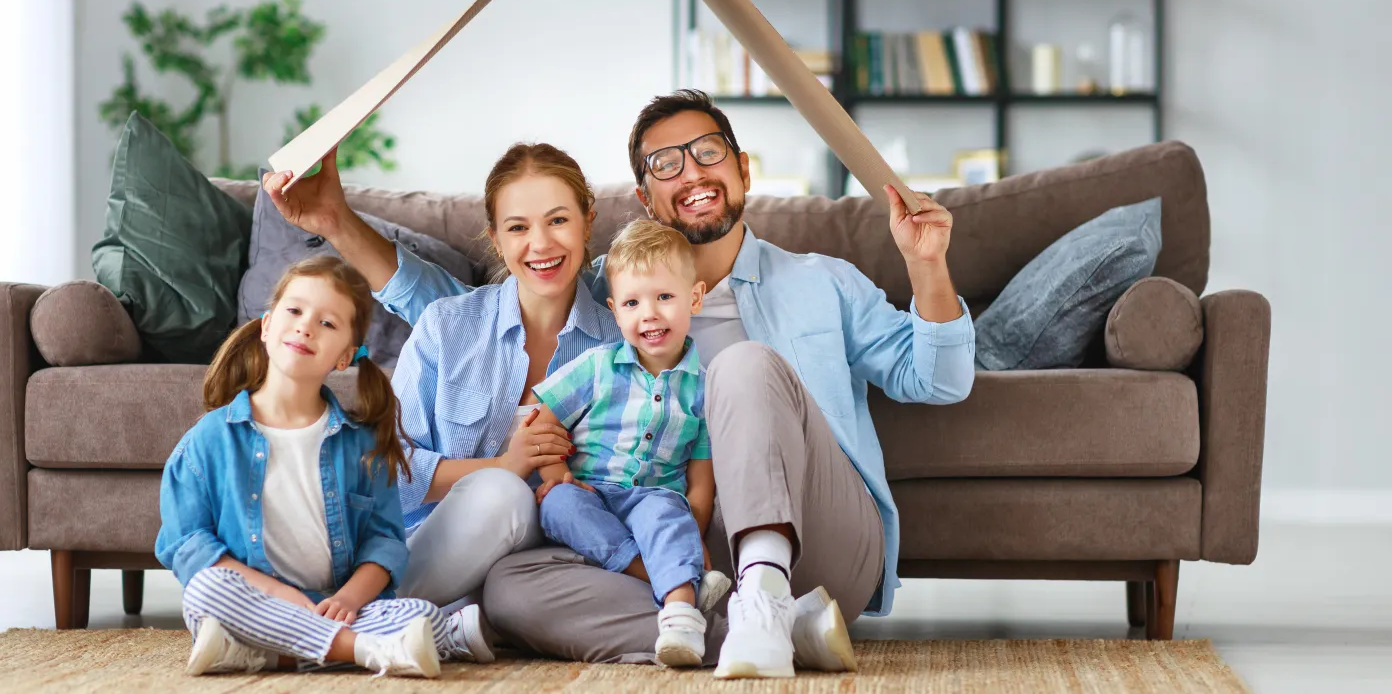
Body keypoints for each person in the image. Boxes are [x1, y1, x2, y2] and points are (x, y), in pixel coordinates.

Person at [264, 90, 975, 676]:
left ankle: (770, 597)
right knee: (511, 588)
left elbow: (937, 381)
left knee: (741, 366)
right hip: (671, 552)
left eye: (707, 152)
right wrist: (334, 221)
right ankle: (764, 630)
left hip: (818, 542)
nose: (691, 171)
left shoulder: (823, 282)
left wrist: (927, 265)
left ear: (743, 168)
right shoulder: (615, 296)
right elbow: (469, 313)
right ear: (643, 197)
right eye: (666, 164)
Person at [265, 144, 624, 615]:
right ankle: (368, 615)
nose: (540, 244)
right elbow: (390, 466)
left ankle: (384, 622)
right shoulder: (447, 325)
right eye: (518, 227)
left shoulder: (619, 346)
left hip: (543, 565)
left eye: (558, 221)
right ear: (496, 240)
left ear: (587, 222)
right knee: (503, 494)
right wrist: (504, 466)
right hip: (430, 548)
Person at [155, 255, 491, 678]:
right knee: (205, 591)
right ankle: (369, 650)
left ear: (344, 356)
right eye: (294, 311)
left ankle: (264, 654)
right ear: (266, 326)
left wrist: (350, 599)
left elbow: (384, 544)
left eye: (328, 324)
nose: (306, 326)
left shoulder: (363, 445)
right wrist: (277, 593)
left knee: (416, 612)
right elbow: (186, 545)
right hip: (249, 603)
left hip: (332, 605)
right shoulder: (208, 440)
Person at [532, 220, 732, 668]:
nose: (650, 314)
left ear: (694, 298)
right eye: (632, 303)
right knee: (557, 505)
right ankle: (673, 578)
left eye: (664, 297)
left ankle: (681, 615)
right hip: (592, 493)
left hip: (654, 498)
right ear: (615, 311)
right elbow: (543, 421)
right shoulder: (596, 367)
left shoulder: (704, 389)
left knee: (668, 514)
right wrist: (556, 478)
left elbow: (701, 480)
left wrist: (691, 528)